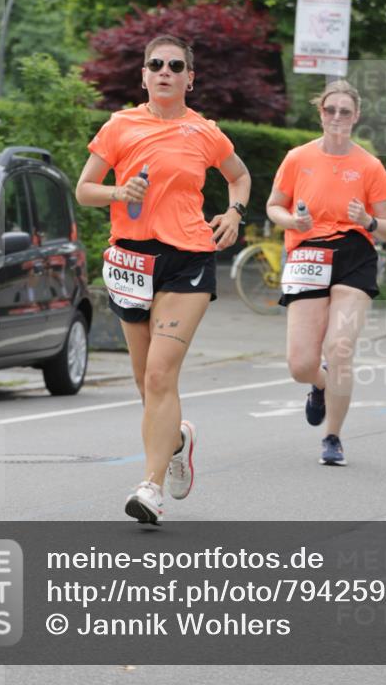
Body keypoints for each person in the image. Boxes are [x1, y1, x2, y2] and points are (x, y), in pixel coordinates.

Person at [75, 34, 251, 522]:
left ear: (189, 78)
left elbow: (239, 176)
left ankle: (149, 486)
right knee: (144, 381)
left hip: (188, 258)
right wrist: (118, 191)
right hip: (132, 260)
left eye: (176, 65)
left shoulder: (205, 132)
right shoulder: (120, 125)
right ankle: (177, 441)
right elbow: (84, 189)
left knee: (159, 374)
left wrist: (234, 213)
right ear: (145, 75)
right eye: (157, 64)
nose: (165, 71)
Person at [266, 80, 386, 467]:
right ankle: (319, 385)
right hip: (307, 253)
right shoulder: (297, 158)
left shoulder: (369, 166)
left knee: (339, 348)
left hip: (354, 255)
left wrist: (369, 220)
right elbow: (274, 206)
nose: (337, 117)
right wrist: (293, 220)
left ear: (355, 116)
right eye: (330, 110)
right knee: (300, 365)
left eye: (345, 111)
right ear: (320, 114)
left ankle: (333, 437)